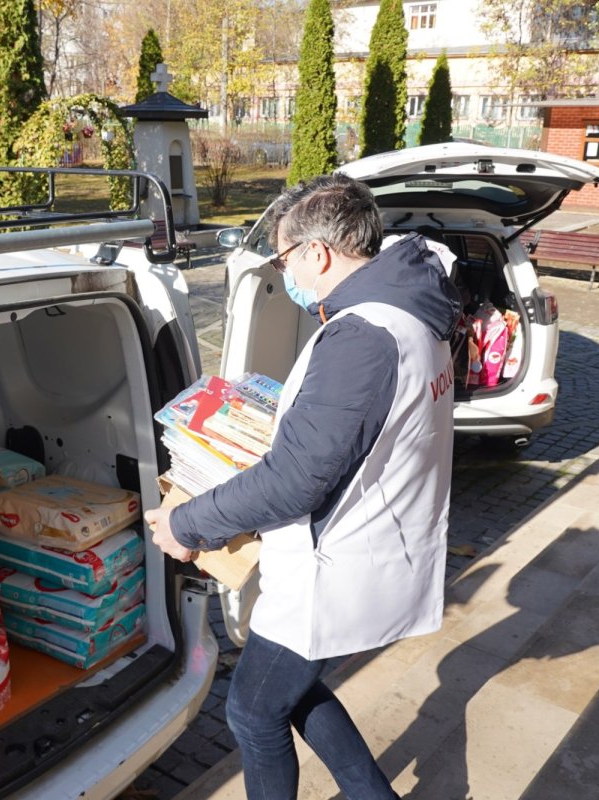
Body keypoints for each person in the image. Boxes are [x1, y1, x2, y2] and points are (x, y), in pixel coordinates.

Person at [144, 173, 462, 800]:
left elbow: (295, 481)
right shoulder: (413, 308)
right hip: (377, 544)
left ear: (317, 254)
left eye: (284, 258)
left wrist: (185, 524)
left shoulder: (363, 335)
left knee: (254, 710)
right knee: (289, 688)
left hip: (338, 564)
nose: (283, 273)